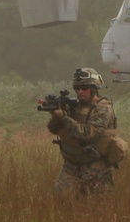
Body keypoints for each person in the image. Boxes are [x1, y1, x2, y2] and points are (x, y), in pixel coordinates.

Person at [47, 67, 121, 197]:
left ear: (94, 88)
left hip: (96, 165)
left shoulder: (103, 108)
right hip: (72, 164)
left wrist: (65, 118)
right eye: (77, 88)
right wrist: (56, 116)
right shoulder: (75, 106)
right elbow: (54, 130)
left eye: (84, 87)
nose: (80, 91)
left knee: (96, 208)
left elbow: (88, 133)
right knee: (61, 200)